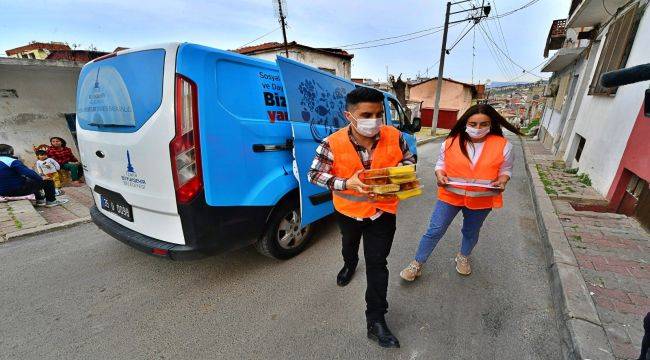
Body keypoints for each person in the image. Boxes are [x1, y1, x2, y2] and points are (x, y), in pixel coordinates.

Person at [307, 87, 415, 348]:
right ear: (349, 115)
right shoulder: (331, 143)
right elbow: (314, 175)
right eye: (367, 114)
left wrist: (402, 170)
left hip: (383, 213)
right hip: (349, 212)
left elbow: (409, 160)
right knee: (349, 245)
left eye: (379, 114)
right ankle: (349, 263)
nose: (375, 121)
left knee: (378, 264)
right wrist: (346, 183)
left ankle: (376, 320)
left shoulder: (394, 135)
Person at [400, 104, 521, 281]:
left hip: (481, 199)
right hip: (450, 195)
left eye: (483, 124)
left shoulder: (504, 146)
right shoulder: (450, 142)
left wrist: (503, 180)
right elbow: (441, 164)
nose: (478, 128)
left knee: (471, 232)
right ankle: (417, 263)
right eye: (473, 124)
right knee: (435, 229)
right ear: (465, 123)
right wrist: (439, 174)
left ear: (491, 124)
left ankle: (463, 257)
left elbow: (506, 169)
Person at [0, 144, 68, 207]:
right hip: (16, 190)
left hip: (2, 192)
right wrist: (41, 178)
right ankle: (51, 201)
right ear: (9, 152)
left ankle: (40, 201)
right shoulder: (11, 161)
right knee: (47, 180)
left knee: (31, 180)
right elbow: (29, 173)